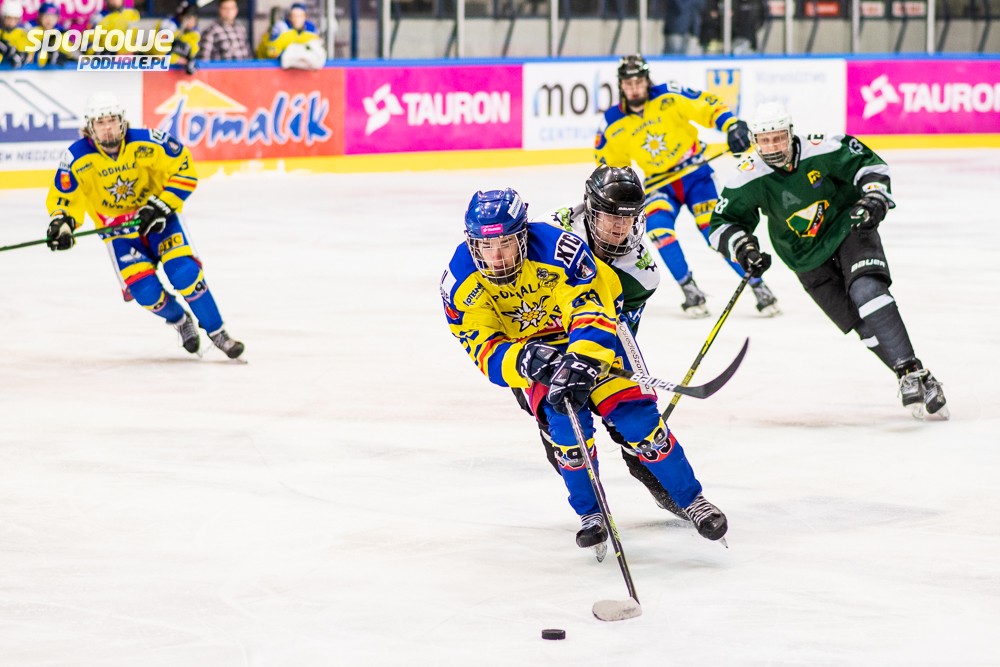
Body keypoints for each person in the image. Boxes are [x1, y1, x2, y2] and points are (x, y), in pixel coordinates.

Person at [441, 187, 728, 553]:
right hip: (535, 351)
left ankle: (692, 500)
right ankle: (591, 513)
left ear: (523, 236)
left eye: (506, 244)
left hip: (594, 335)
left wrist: (583, 358)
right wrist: (524, 360)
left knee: (639, 423)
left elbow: (592, 309)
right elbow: (483, 348)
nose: (496, 257)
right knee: (567, 434)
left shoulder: (558, 249)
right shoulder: (459, 281)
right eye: (486, 246)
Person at [709, 101, 947, 419]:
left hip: (848, 228)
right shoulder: (747, 176)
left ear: (791, 133)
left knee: (867, 291)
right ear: (754, 141)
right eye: (765, 140)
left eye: (778, 138)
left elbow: (868, 165)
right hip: (802, 256)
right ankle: (916, 376)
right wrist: (743, 248)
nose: (773, 147)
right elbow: (723, 223)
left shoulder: (823, 148)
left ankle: (908, 369)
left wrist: (874, 197)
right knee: (862, 325)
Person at [525, 165, 688, 519]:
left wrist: (600, 366)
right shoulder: (551, 232)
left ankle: (649, 466)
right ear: (590, 211)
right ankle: (588, 501)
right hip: (541, 337)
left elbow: (623, 333)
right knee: (557, 423)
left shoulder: (641, 274)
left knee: (630, 415)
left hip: (594, 337)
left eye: (628, 218)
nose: (619, 227)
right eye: (611, 216)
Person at [44, 92, 245, 360]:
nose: (108, 128)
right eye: (101, 122)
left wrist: (161, 205)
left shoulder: (149, 142)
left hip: (159, 223)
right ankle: (180, 320)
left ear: (122, 121)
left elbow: (184, 169)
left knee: (184, 273)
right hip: (119, 235)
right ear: (90, 126)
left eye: (112, 120)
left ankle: (218, 332)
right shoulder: (76, 157)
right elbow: (64, 197)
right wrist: (63, 223)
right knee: (146, 292)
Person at [596, 54, 780, 319]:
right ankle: (690, 289)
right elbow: (609, 165)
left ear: (647, 80)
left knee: (714, 231)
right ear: (621, 85)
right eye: (628, 83)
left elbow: (707, 105)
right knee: (659, 230)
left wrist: (731, 126)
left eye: (638, 82)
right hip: (660, 185)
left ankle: (758, 285)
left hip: (696, 177)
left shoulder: (669, 95)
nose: (634, 88)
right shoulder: (612, 121)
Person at [257, 3, 324, 69]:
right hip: (263, 65)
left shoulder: (311, 29)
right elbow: (271, 52)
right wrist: (288, 53)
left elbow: (319, 53)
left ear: (305, 17)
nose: (297, 19)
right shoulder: (281, 27)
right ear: (290, 17)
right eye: (294, 16)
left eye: (300, 16)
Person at [153, 0, 200, 74]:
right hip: (155, 66)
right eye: (188, 18)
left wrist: (186, 59)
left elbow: (192, 54)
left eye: (194, 19)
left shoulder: (193, 33)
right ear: (181, 16)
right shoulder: (169, 26)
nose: (191, 22)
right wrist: (178, 59)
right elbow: (159, 55)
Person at [0, 0, 30, 67]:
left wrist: (13, 54)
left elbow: (26, 55)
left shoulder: (22, 33)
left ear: (18, 19)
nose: (11, 22)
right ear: (3, 18)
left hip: (16, 70)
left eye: (14, 19)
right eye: (8, 18)